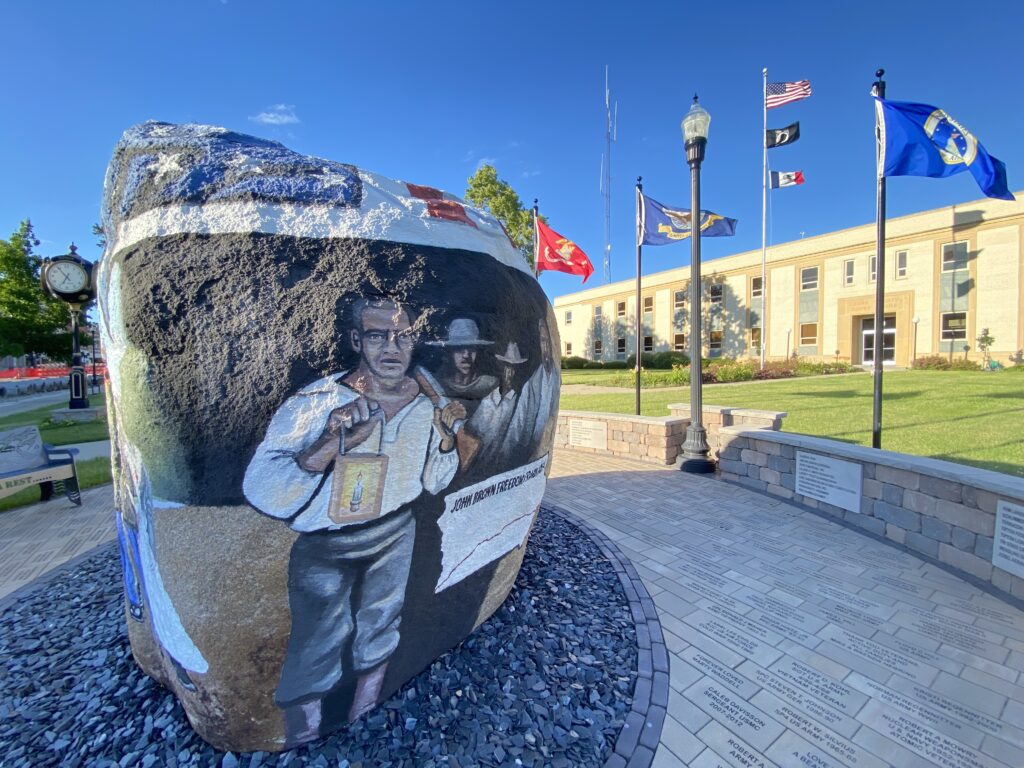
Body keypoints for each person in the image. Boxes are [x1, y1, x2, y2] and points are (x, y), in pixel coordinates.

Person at [243, 298, 464, 745]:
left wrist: (445, 442)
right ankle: (304, 734)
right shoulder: (320, 401)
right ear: (356, 340)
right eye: (378, 335)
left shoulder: (426, 403)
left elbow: (434, 483)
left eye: (402, 336)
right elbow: (261, 486)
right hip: (326, 545)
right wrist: (329, 441)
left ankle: (366, 710)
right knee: (318, 638)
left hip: (395, 532)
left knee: (381, 623)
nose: (391, 347)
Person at [428, 318, 496, 417]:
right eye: (460, 349)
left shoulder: (490, 384)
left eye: (471, 350)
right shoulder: (437, 384)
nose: (466, 355)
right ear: (450, 353)